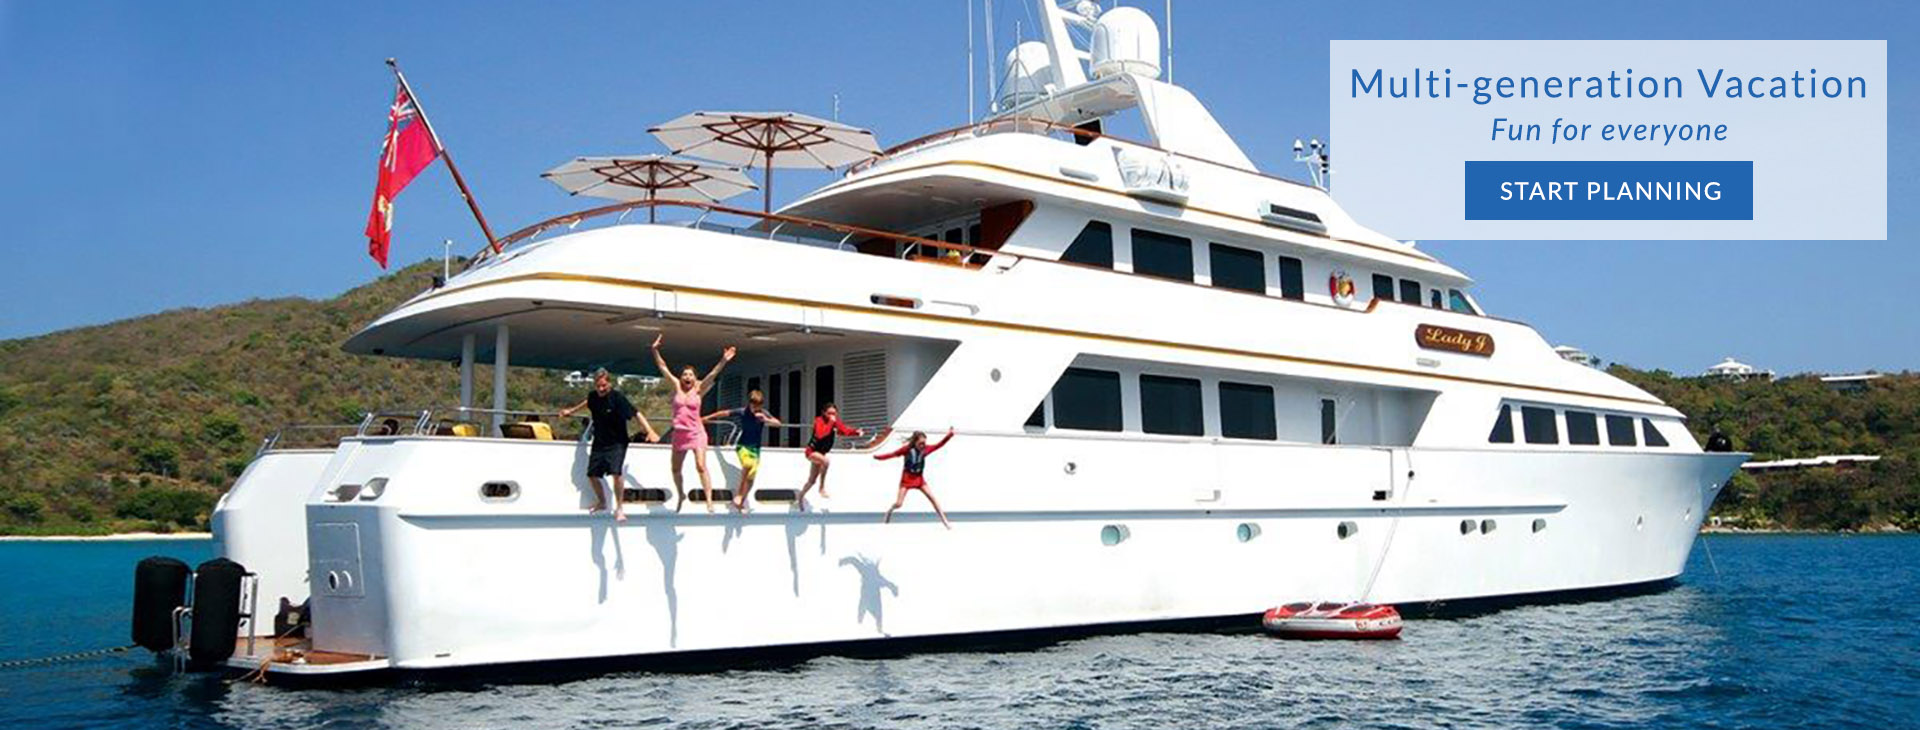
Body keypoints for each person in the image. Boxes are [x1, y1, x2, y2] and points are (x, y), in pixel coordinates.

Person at [558, 368, 659, 522]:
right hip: (600, 441)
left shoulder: (618, 398)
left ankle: (619, 508)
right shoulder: (593, 396)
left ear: (609, 384)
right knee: (592, 475)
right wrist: (570, 411)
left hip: (618, 442)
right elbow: (587, 402)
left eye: (604, 386)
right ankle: (602, 501)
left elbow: (636, 413)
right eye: (598, 386)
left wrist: (650, 431)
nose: (601, 389)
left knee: (616, 473)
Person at [651, 334, 735, 513]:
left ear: (695, 378)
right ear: (681, 377)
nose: (686, 377)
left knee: (700, 465)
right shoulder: (676, 387)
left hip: (696, 432)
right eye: (684, 374)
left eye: (690, 375)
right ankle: (681, 494)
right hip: (679, 434)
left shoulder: (699, 389)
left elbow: (713, 373)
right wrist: (655, 350)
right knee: (675, 469)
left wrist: (723, 360)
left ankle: (709, 500)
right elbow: (663, 367)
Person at [702, 390, 782, 512]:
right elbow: (724, 413)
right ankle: (739, 495)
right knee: (747, 464)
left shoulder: (763, 413)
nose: (756, 408)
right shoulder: (742, 411)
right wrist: (707, 417)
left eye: (759, 406)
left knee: (751, 478)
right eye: (754, 406)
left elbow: (778, 424)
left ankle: (741, 502)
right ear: (749, 403)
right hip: (743, 446)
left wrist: (766, 419)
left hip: (756, 449)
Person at [876, 428, 956, 529]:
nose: (923, 445)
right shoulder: (906, 449)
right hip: (906, 480)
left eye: (924, 443)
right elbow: (892, 454)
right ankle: (890, 510)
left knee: (933, 499)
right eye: (921, 443)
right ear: (915, 442)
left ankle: (945, 522)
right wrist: (879, 457)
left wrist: (949, 435)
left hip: (919, 479)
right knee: (899, 504)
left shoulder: (926, 449)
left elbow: (938, 445)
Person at [797, 402, 865, 509]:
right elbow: (820, 434)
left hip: (821, 454)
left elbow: (843, 430)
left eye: (834, 413)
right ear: (823, 413)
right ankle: (822, 488)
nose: (832, 416)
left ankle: (800, 497)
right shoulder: (818, 420)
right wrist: (830, 423)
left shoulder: (834, 421)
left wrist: (856, 432)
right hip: (811, 452)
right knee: (826, 461)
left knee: (811, 481)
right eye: (829, 413)